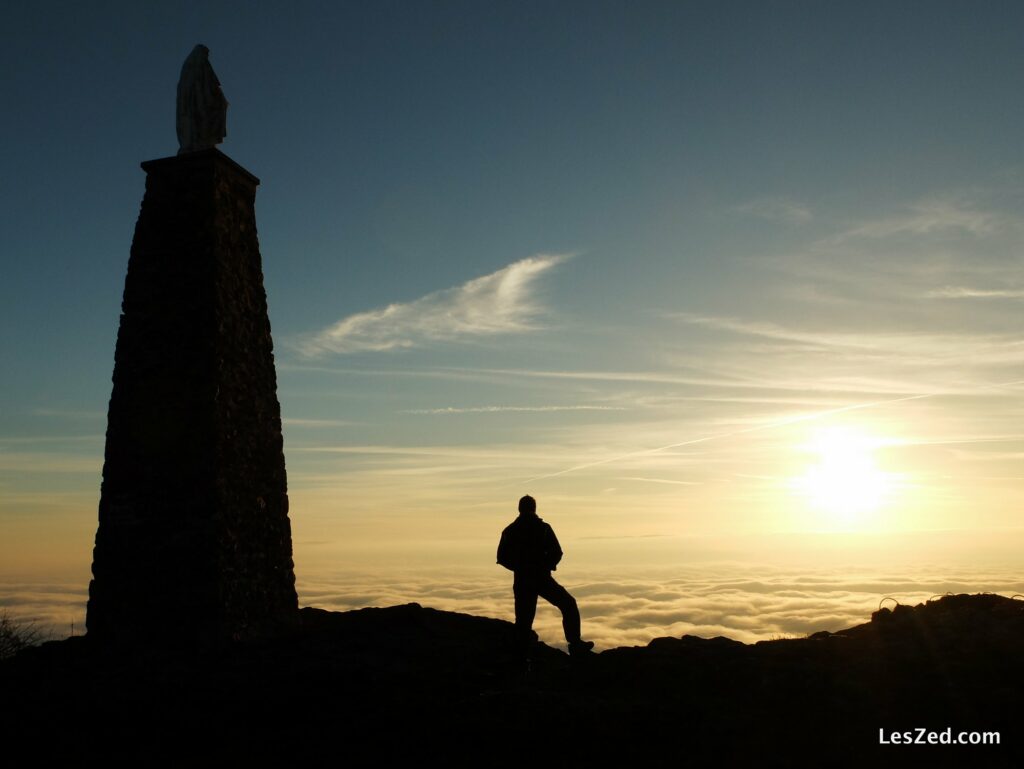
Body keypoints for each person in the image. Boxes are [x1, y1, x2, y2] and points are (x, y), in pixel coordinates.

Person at [497, 495, 594, 656]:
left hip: (522, 580)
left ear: (519, 509)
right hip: (542, 578)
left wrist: (519, 568)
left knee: (523, 621)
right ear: (534, 508)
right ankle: (575, 644)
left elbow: (502, 557)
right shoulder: (543, 528)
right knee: (568, 604)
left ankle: (520, 659)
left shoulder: (510, 530)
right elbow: (557, 552)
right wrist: (545, 566)